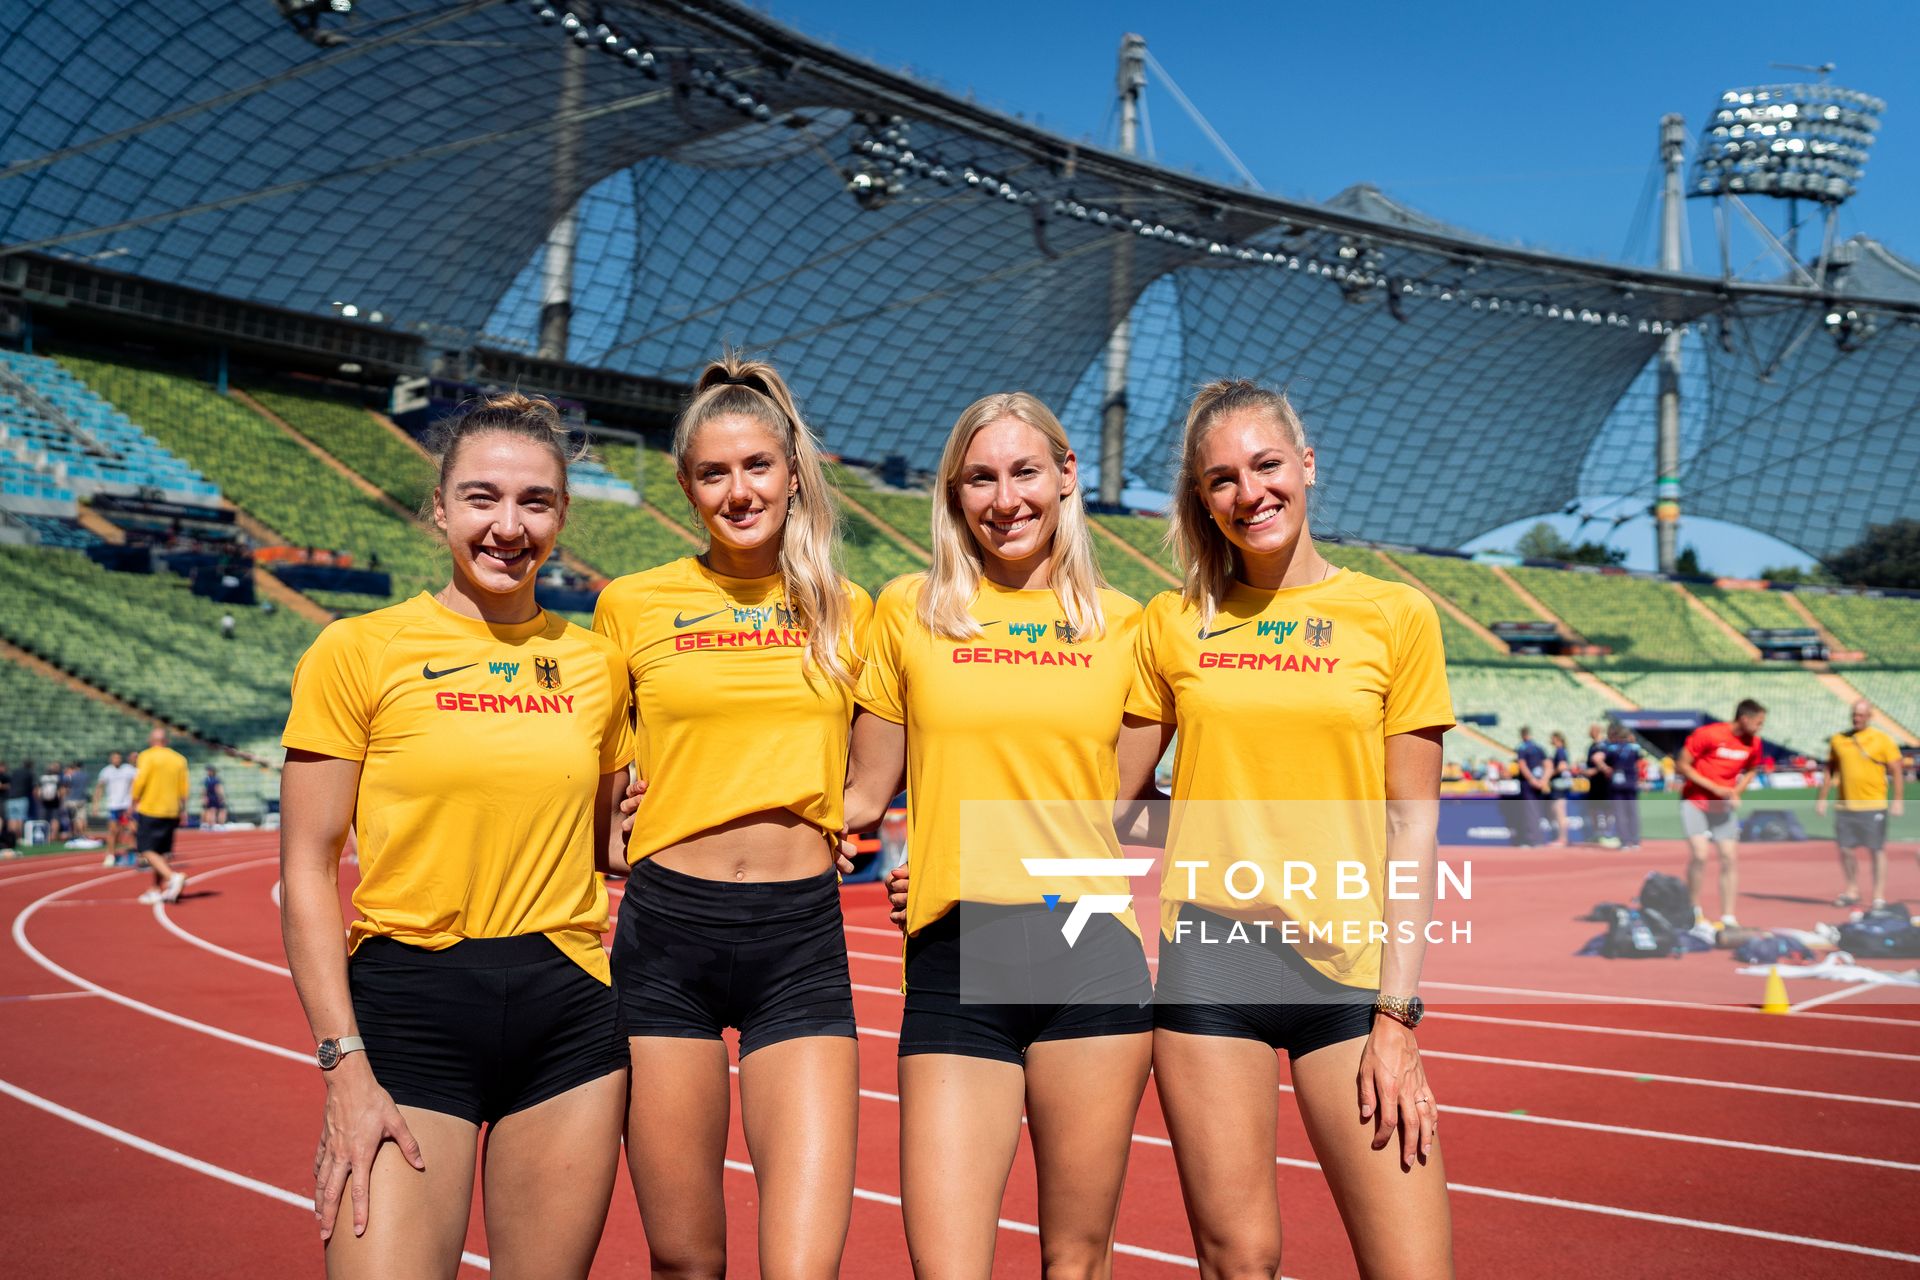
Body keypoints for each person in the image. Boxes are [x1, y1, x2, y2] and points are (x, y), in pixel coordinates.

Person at [279, 391, 633, 1277]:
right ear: (439, 508)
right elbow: (306, 866)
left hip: (570, 1017)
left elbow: (607, 843)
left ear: (561, 515)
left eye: (534, 501)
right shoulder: (357, 651)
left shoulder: (597, 666)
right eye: (481, 497)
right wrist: (343, 1068)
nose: (507, 526)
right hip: (407, 1015)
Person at [1121, 379, 1451, 1276]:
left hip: (1347, 975)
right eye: (1221, 478)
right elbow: (1116, 805)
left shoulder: (1395, 615)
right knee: (1240, 1260)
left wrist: (1397, 1017)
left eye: (1266, 465)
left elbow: (1413, 826)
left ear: (1306, 466)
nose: (1249, 492)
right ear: (1200, 497)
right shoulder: (1172, 623)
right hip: (1208, 969)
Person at [843, 392, 1155, 1276]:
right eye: (980, 478)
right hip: (955, 951)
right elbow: (862, 794)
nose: (1004, 498)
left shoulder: (1128, 625)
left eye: (1025, 472)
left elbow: (1118, 805)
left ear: (1066, 477)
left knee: (1075, 1263)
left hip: (1090, 951)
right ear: (953, 493)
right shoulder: (911, 610)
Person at [596, 355, 867, 1278]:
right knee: (686, 1260)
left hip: (801, 944)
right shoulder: (628, 606)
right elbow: (587, 765)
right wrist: (604, 826)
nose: (739, 490)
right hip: (667, 937)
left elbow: (897, 761)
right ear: (686, 485)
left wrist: (860, 819)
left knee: (804, 1267)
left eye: (757, 466)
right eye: (714, 473)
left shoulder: (847, 610)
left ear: (792, 472)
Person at [1677, 699, 1767, 928]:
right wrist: (1713, 787)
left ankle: (1728, 916)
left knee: (1729, 857)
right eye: (1758, 723)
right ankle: (1693, 911)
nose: (1760, 728)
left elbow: (1753, 769)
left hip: (1722, 806)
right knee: (1700, 854)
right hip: (1695, 801)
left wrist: (1737, 791)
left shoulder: (1754, 743)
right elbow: (1683, 765)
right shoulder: (1709, 734)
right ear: (1744, 719)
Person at [1815, 699, 1905, 910]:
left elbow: (1897, 771)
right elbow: (1829, 769)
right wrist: (1822, 798)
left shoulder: (1882, 740)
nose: (1857, 718)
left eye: (1862, 715)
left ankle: (1878, 896)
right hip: (1845, 806)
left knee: (1876, 850)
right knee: (1845, 849)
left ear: (1870, 717)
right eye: (1854, 714)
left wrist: (1898, 800)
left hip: (1873, 804)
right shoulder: (1838, 740)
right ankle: (1852, 889)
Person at [130, 730, 190, 904]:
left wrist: (133, 801)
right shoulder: (179, 759)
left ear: (152, 740)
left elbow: (140, 781)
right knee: (162, 852)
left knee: (146, 849)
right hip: (172, 810)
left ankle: (172, 877)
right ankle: (156, 889)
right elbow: (184, 788)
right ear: (166, 741)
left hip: (151, 808)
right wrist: (183, 809)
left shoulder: (147, 756)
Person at [96, 750, 139, 867]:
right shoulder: (106, 771)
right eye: (114, 758)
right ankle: (111, 855)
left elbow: (138, 781)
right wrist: (96, 804)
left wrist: (134, 802)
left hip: (126, 806)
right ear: (111, 759)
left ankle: (132, 854)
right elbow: (99, 787)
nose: (117, 760)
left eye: (118, 758)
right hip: (113, 806)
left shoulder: (128, 769)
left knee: (132, 830)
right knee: (113, 832)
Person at [1606, 722, 1642, 851]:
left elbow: (1608, 762)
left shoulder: (1611, 748)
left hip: (1617, 784)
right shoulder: (1635, 748)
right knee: (1633, 812)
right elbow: (1639, 759)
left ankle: (1625, 842)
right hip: (1631, 782)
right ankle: (1636, 841)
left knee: (1620, 813)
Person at [1512, 727, 1549, 847]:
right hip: (1539, 782)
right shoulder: (1539, 747)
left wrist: (1532, 779)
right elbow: (1548, 765)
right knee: (1537, 811)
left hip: (1528, 784)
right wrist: (1543, 780)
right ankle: (1538, 838)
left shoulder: (1522, 747)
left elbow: (1522, 765)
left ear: (1522, 735)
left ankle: (1532, 839)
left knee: (1529, 811)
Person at [1583, 722, 1615, 846]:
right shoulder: (1592, 746)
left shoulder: (1606, 745)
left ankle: (1607, 832)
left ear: (1596, 731)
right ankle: (1597, 832)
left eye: (1591, 730)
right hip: (1594, 783)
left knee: (1607, 807)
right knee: (1593, 808)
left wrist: (1595, 770)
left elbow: (1608, 764)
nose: (1589, 732)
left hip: (1604, 783)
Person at [1547, 730, 1573, 845]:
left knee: (1560, 812)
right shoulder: (1562, 751)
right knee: (1558, 811)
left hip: (1559, 785)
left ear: (1557, 739)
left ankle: (1562, 838)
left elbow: (1562, 766)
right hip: (1561, 784)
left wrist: (1550, 774)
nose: (1550, 740)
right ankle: (1562, 838)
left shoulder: (1560, 751)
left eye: (1552, 738)